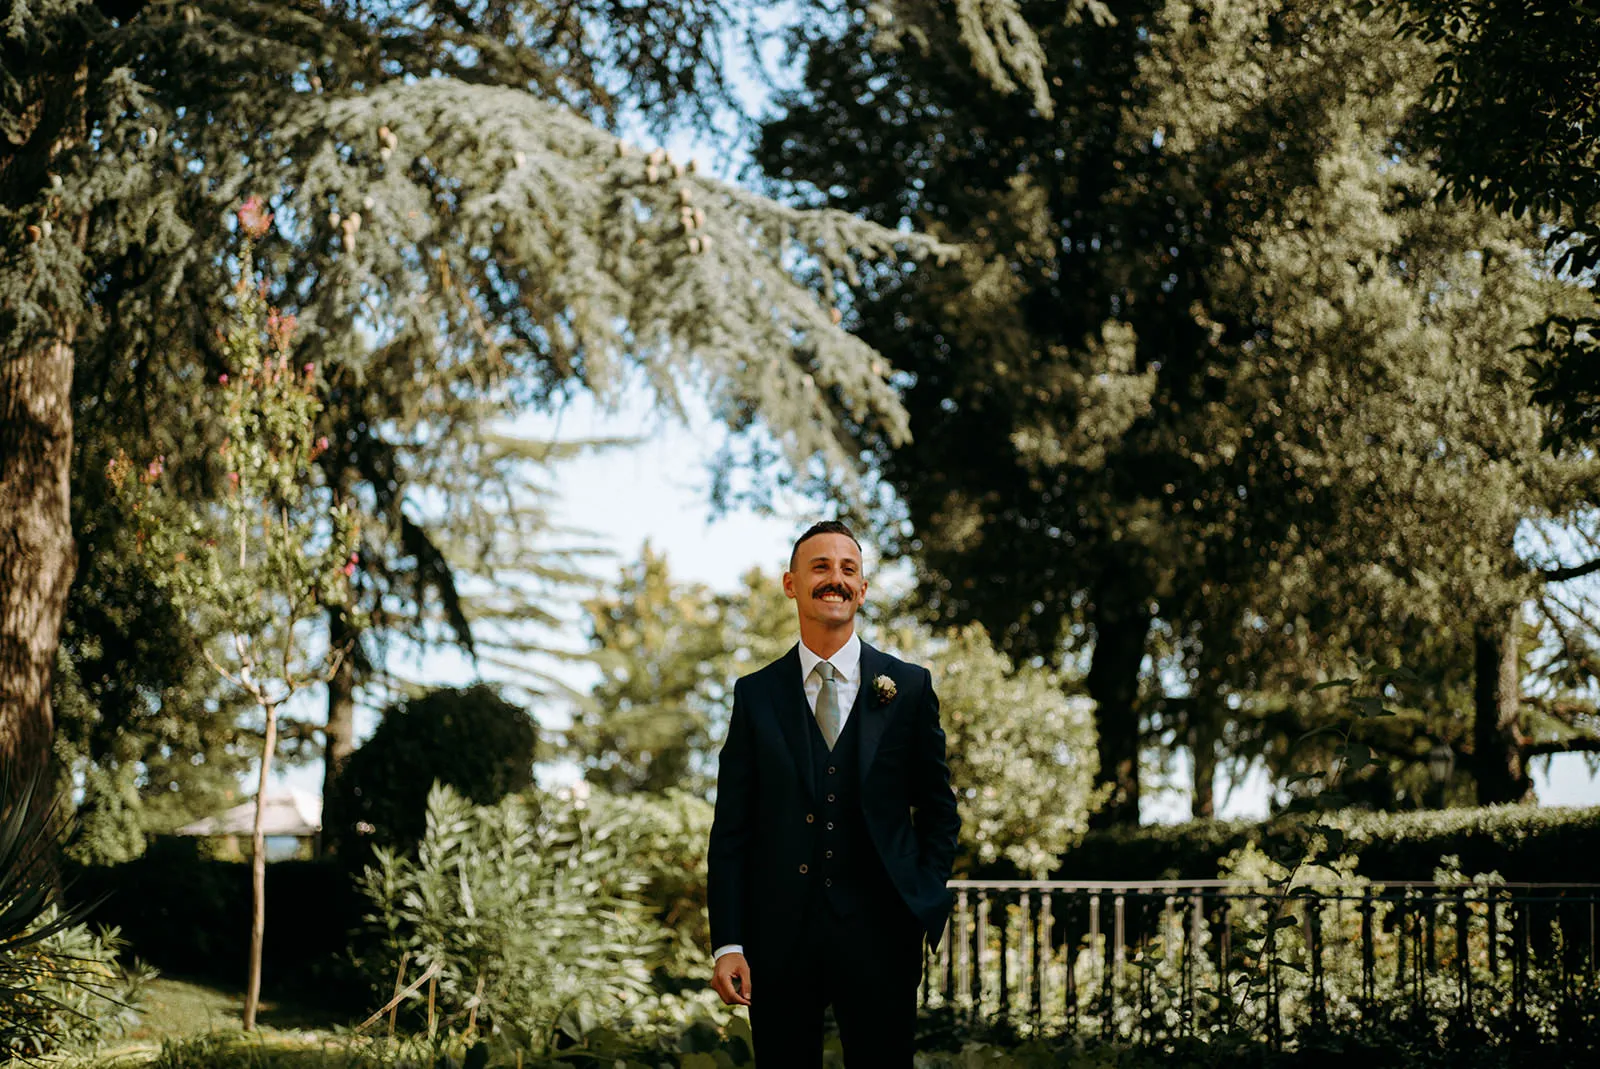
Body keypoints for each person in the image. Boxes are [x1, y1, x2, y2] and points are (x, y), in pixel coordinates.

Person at [707, 520, 960, 1066]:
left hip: (882, 935)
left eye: (849, 570)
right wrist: (729, 942)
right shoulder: (755, 696)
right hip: (778, 939)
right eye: (820, 567)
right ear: (791, 583)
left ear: (863, 590)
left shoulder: (908, 687)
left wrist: (919, 893)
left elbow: (939, 809)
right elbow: (732, 829)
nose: (835, 580)